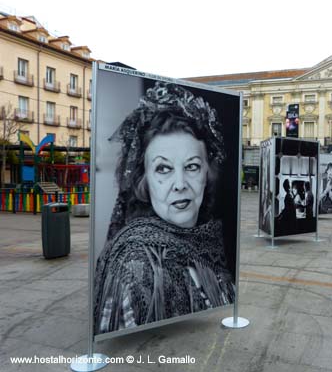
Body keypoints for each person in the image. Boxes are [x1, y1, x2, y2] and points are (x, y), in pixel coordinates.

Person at [94, 82, 235, 335]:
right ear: (143, 180)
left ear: (207, 173)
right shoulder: (135, 265)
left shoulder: (209, 241)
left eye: (191, 166)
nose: (180, 185)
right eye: (163, 169)